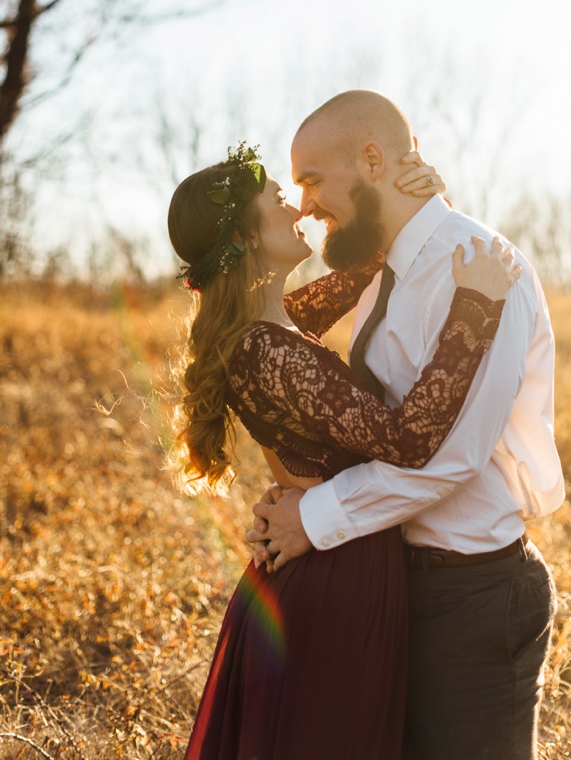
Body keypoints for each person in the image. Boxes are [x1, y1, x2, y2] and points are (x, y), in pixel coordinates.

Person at [168, 141, 522, 760]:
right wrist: (476, 303)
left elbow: (373, 265)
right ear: (248, 237)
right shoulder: (264, 349)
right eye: (280, 202)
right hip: (331, 585)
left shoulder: (271, 326)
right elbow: (407, 439)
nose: (300, 211)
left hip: (337, 561)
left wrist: (417, 204)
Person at [250, 89, 563, 760]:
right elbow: (272, 337)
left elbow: (450, 458)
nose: (304, 205)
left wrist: (313, 517)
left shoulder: (479, 267)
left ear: (370, 159)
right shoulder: (376, 269)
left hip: (472, 597)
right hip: (389, 585)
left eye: (310, 180)